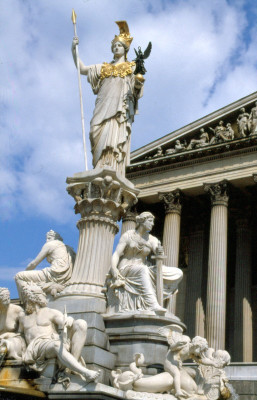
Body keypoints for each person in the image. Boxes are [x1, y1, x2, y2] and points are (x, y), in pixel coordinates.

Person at [71, 21, 144, 175]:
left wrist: (138, 82)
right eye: (114, 46)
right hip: (102, 106)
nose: (116, 48)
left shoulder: (131, 67)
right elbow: (82, 69)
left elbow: (136, 90)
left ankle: (111, 167)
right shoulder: (104, 67)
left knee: (114, 136)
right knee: (94, 131)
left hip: (118, 109)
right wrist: (74, 49)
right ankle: (99, 165)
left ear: (125, 49)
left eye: (119, 46)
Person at [19, 284, 99, 382]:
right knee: (56, 345)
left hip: (52, 340)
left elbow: (63, 321)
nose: (26, 302)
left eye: (27, 298)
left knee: (81, 324)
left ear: (34, 298)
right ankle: (84, 372)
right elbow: (19, 336)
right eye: (25, 298)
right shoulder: (23, 317)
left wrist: (69, 319)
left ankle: (70, 369)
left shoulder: (49, 312)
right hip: (37, 347)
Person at [108, 212, 183, 314]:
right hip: (126, 268)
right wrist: (114, 269)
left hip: (142, 268)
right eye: (150, 221)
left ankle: (156, 301)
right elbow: (116, 254)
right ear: (142, 221)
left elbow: (157, 248)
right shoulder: (128, 235)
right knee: (143, 270)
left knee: (177, 272)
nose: (152, 224)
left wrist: (159, 250)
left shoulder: (152, 239)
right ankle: (152, 304)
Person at [15, 230, 76, 300]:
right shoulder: (69, 248)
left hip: (53, 274)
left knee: (19, 276)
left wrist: (26, 272)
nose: (47, 240)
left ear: (55, 238)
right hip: (67, 278)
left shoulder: (50, 244)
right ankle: (48, 287)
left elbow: (34, 263)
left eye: (49, 238)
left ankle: (25, 303)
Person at [0, 287, 26, 361]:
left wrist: (8, 335)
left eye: (7, 299)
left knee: (3, 348)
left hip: (15, 340)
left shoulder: (17, 310)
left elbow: (23, 333)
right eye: (2, 301)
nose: (6, 302)